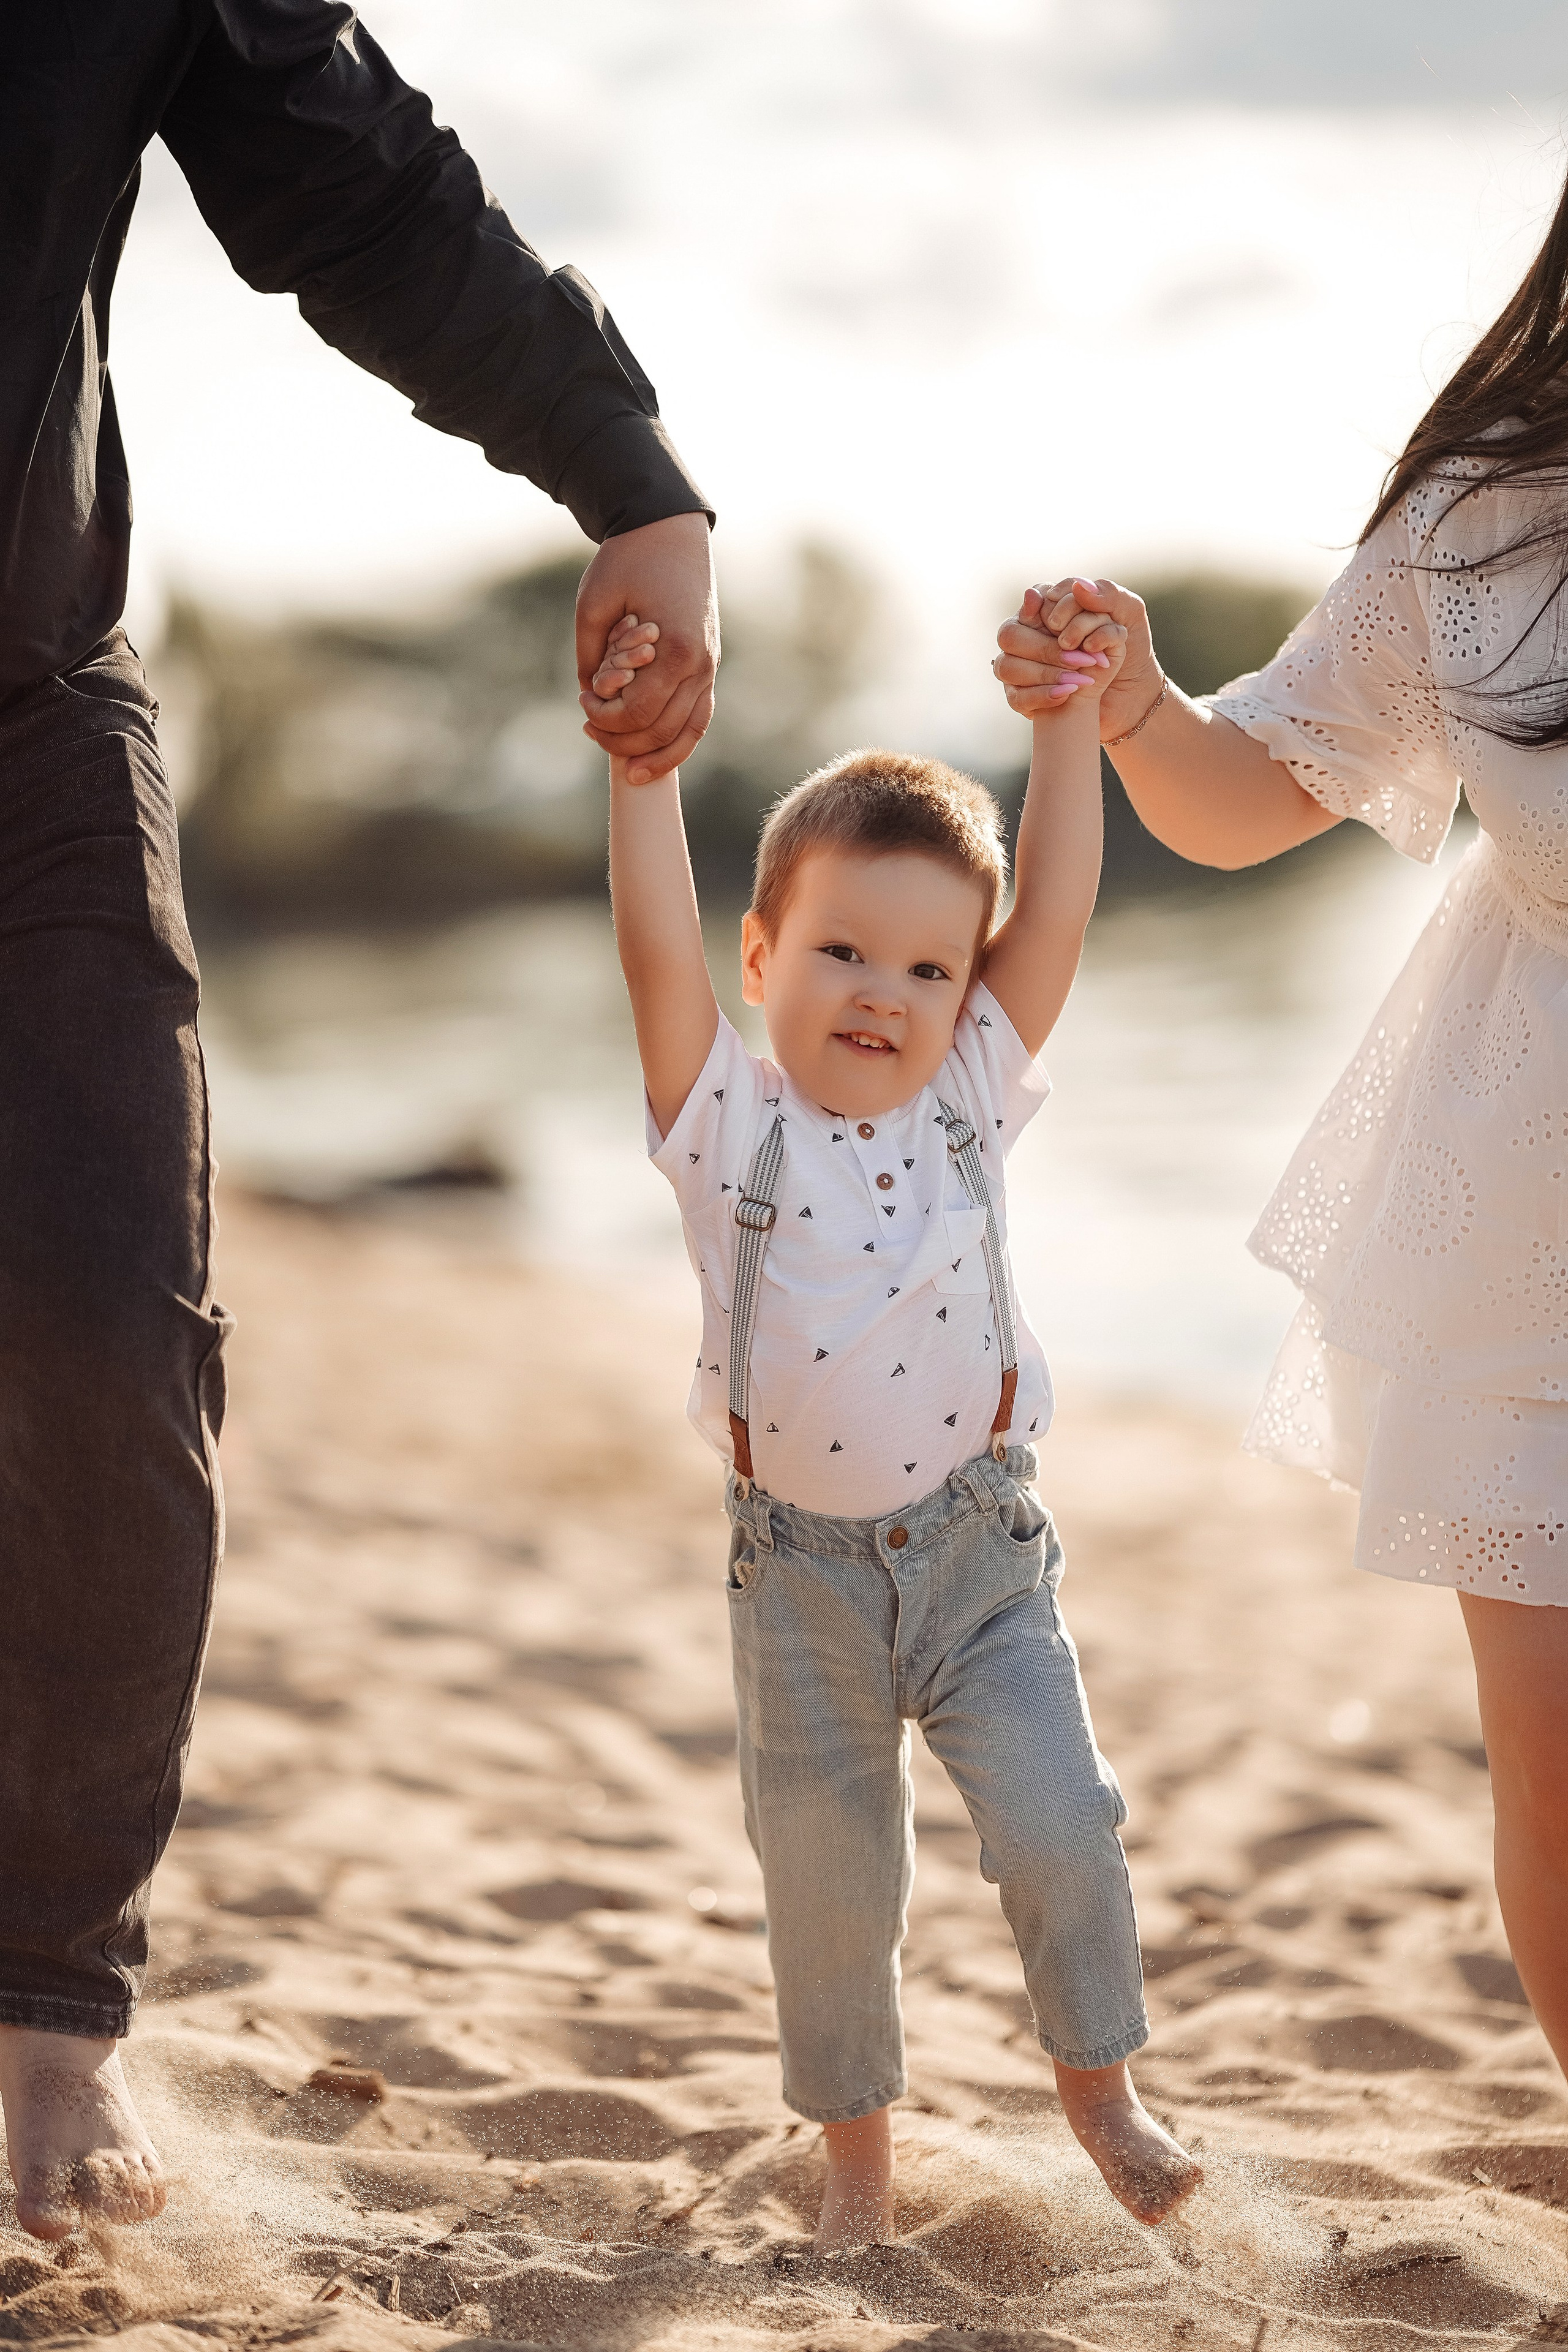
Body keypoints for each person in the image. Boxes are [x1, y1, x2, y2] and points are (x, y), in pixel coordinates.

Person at [0, 0, 715, 2241]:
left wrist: (627, 471)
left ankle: (39, 2004)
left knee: (111, 1325)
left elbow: (352, 175)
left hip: (18, 709)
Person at [992, 168, 1568, 2097]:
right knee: (1561, 1778)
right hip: (1535, 1216)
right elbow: (1254, 795)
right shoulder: (1490, 508)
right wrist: (1140, 704)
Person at [601, 600, 1201, 2248]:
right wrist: (638, 771)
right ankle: (858, 2171)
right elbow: (650, 942)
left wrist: (1069, 725)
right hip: (796, 1587)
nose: (888, 993)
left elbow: (1058, 908)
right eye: (846, 952)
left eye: (932, 966)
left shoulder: (970, 1095)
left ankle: (1103, 2092)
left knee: (1062, 1822)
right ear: (762, 960)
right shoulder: (724, 1122)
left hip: (981, 1558)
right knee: (829, 1883)